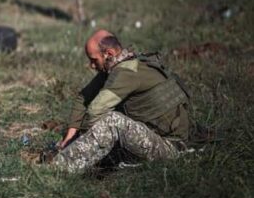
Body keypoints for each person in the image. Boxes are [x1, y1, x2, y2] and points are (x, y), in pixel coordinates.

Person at [53, 30, 190, 172]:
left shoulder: (126, 73)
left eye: (94, 60)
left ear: (109, 54)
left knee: (113, 121)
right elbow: (83, 98)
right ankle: (66, 156)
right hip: (153, 136)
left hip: (171, 148)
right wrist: (69, 138)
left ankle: (57, 169)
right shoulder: (123, 63)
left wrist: (79, 140)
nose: (91, 66)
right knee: (98, 129)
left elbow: (94, 112)